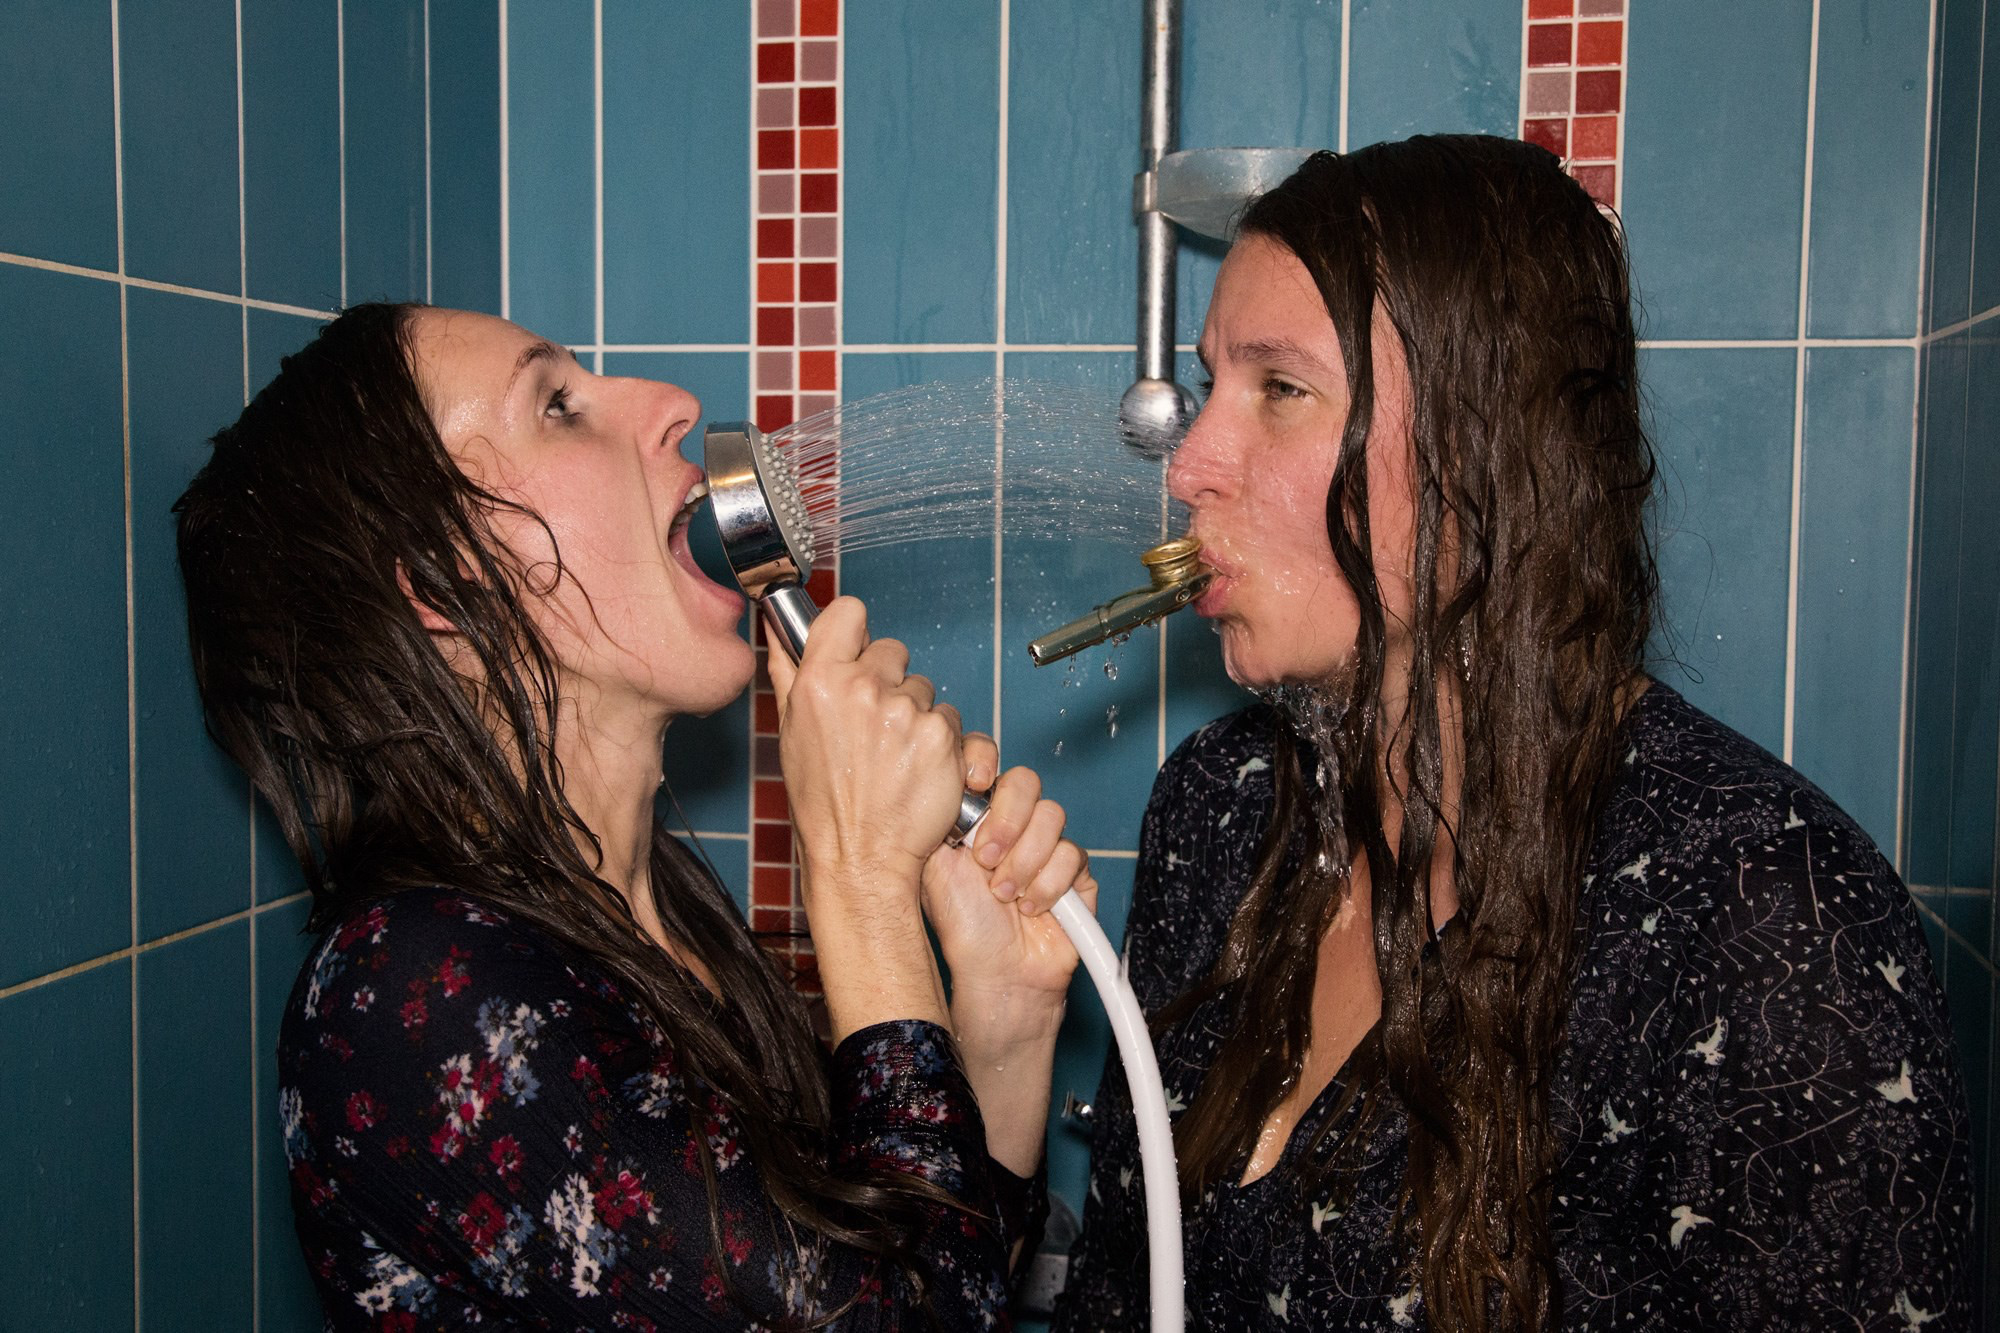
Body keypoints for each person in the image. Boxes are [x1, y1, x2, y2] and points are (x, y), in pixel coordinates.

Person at [1053, 136, 1971, 1331]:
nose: (1188, 467)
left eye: (1278, 389)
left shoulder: (1763, 920)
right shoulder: (1219, 809)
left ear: (1483, 443)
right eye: (1209, 384)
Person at [175, 302, 1097, 1329]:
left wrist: (1004, 1016)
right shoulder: (410, 994)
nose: (674, 404)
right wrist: (862, 880)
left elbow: (945, 1281)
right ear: (439, 584)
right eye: (557, 405)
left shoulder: (659, 913)